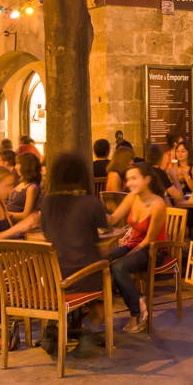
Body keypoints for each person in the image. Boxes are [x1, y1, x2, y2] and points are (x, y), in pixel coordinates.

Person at [37, 153, 110, 358]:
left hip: (52, 278)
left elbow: (46, 233)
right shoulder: (91, 202)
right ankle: (89, 333)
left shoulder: (47, 203)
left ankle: (52, 327)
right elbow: (104, 231)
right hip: (83, 276)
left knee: (60, 278)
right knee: (106, 285)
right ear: (81, 176)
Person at [107, 160, 171, 332]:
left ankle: (136, 313)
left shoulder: (158, 205)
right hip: (134, 245)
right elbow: (113, 219)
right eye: (128, 179)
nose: (129, 183)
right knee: (103, 261)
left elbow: (148, 240)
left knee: (118, 267)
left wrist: (126, 255)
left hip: (153, 250)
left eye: (134, 178)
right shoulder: (131, 198)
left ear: (147, 179)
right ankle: (139, 298)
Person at [7, 152, 41, 222]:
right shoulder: (21, 183)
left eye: (18, 164)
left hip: (13, 220)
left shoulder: (31, 188)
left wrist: (5, 214)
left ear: (26, 166)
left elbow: (26, 215)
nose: (15, 167)